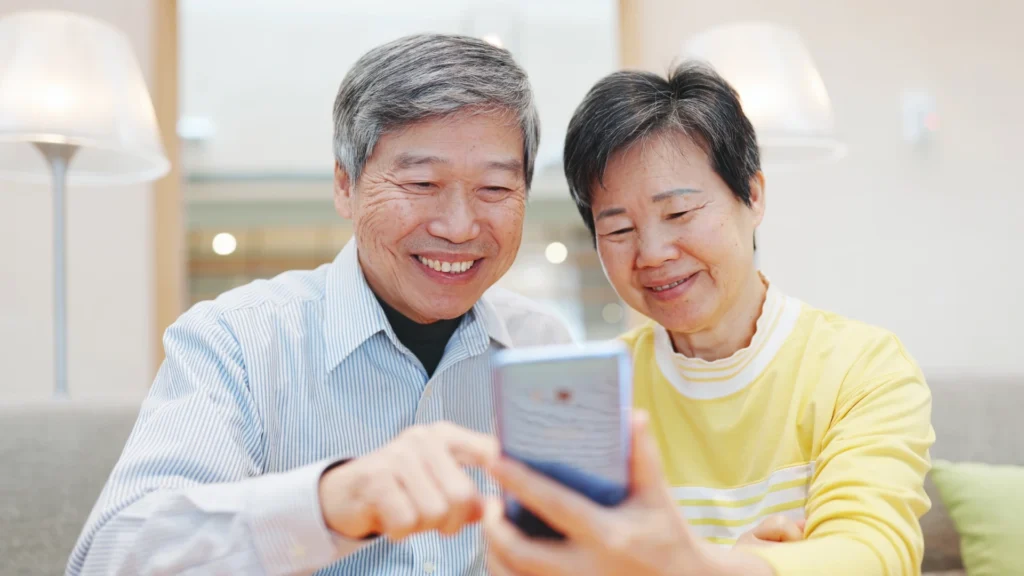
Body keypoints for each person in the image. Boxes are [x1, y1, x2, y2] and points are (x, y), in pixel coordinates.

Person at [68, 34, 573, 576]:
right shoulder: (236, 340)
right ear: (344, 185)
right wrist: (332, 501)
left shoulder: (542, 346)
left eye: (495, 188)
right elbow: (113, 557)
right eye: (422, 182)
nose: (458, 226)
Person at [483, 63, 934, 575]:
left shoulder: (861, 368)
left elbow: (873, 554)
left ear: (754, 195)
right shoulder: (597, 393)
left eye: (678, 214)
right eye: (619, 229)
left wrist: (691, 563)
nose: (651, 253)